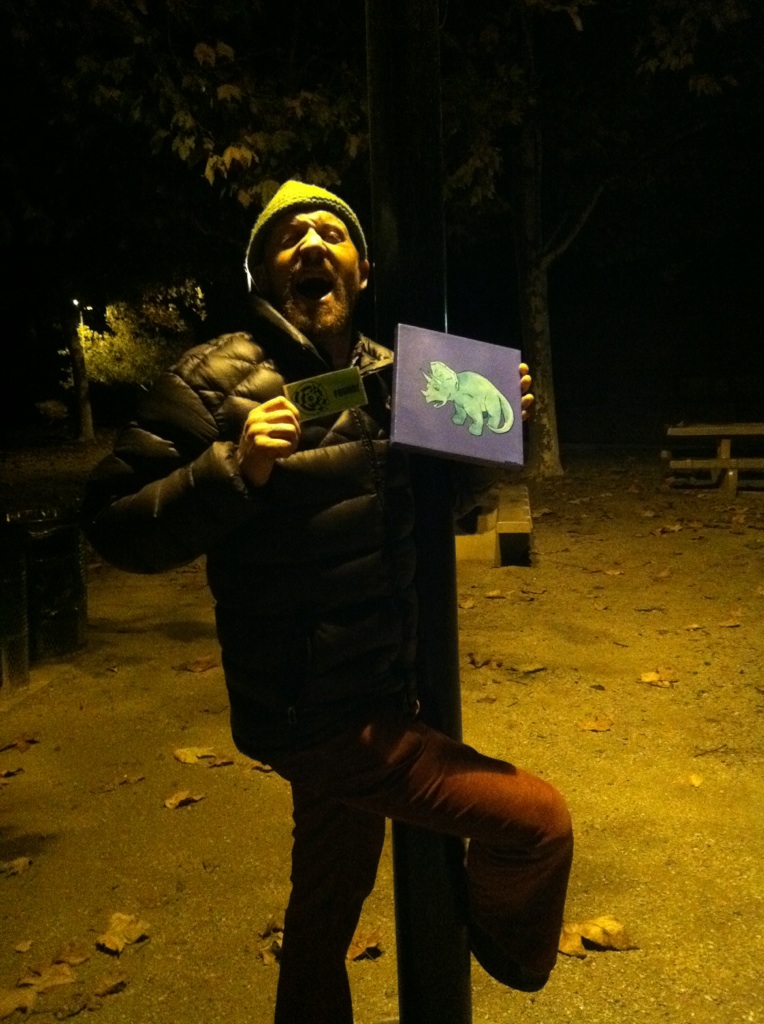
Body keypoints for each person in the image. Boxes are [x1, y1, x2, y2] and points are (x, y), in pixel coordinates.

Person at [83, 180, 573, 1024]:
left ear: (362, 269)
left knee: (323, 914)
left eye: (330, 232)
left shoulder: (396, 375)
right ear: (261, 273)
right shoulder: (214, 378)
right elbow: (114, 525)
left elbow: (427, 507)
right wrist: (233, 468)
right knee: (538, 824)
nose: (311, 243)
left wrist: (500, 436)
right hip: (315, 713)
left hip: (380, 687)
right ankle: (507, 949)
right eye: (288, 236)